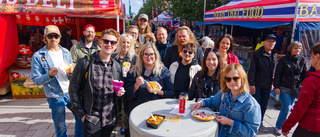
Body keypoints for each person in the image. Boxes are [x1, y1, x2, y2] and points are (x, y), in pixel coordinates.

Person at [69, 28, 125, 137]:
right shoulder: (85, 62)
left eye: (112, 42)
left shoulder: (117, 66)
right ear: (100, 43)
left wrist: (120, 93)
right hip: (91, 117)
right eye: (106, 41)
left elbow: (117, 91)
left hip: (109, 118)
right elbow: (73, 88)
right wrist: (81, 114)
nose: (109, 44)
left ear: (115, 46)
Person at [31, 25, 83, 137]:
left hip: (70, 92)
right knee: (60, 126)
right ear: (45, 38)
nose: (53, 38)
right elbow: (36, 80)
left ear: (59, 37)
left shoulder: (65, 52)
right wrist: (48, 75)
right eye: (50, 36)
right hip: (54, 94)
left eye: (56, 36)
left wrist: (72, 72)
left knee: (81, 116)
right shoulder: (38, 56)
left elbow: (70, 69)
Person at [192, 63, 261, 137]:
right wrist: (201, 102)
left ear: (242, 79)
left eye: (235, 78)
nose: (232, 82)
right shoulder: (224, 93)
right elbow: (212, 101)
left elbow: (251, 132)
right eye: (228, 79)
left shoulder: (251, 105)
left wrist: (230, 122)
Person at [124, 43, 174, 115]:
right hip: (138, 111)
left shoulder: (163, 71)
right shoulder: (133, 71)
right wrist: (136, 86)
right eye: (146, 54)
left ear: (155, 55)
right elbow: (127, 96)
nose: (149, 57)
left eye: (151, 54)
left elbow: (171, 93)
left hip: (157, 112)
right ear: (141, 55)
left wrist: (158, 91)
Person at [281, 43, 320, 137]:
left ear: (317, 56)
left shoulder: (313, 81)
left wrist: (287, 126)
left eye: (311, 56)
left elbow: (301, 107)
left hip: (311, 126)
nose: (311, 58)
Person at [273, 41, 307, 135]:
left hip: (296, 88)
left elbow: (304, 74)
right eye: (295, 48)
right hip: (284, 87)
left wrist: (305, 86)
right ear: (290, 49)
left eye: (299, 48)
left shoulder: (302, 60)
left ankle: (283, 123)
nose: (297, 50)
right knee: (286, 107)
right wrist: (277, 86)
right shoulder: (284, 59)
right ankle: (279, 126)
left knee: (290, 108)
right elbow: (278, 74)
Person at [248, 34, 278, 132]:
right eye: (269, 41)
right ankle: (253, 122)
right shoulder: (257, 53)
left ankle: (260, 122)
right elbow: (252, 69)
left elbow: (273, 71)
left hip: (267, 84)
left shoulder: (274, 54)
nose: (271, 43)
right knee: (256, 104)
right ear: (264, 42)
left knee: (264, 105)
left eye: (273, 42)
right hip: (257, 84)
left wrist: (272, 83)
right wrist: (251, 83)